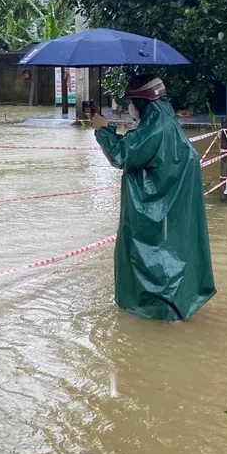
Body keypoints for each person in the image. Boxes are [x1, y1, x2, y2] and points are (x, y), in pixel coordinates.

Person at [90, 75, 216, 321]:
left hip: (157, 210)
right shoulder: (165, 124)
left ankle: (165, 313)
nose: (129, 109)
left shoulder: (154, 129)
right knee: (172, 254)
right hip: (173, 209)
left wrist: (103, 130)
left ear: (142, 104)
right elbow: (135, 149)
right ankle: (176, 306)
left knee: (153, 257)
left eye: (132, 103)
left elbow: (122, 155)